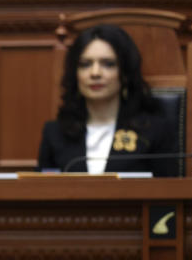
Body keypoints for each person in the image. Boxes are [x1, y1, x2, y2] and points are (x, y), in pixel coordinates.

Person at [37, 23, 179, 177]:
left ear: (125, 72)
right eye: (85, 65)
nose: (95, 73)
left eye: (108, 64)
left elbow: (169, 194)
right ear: (75, 74)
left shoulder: (154, 131)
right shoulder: (55, 133)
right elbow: (42, 192)